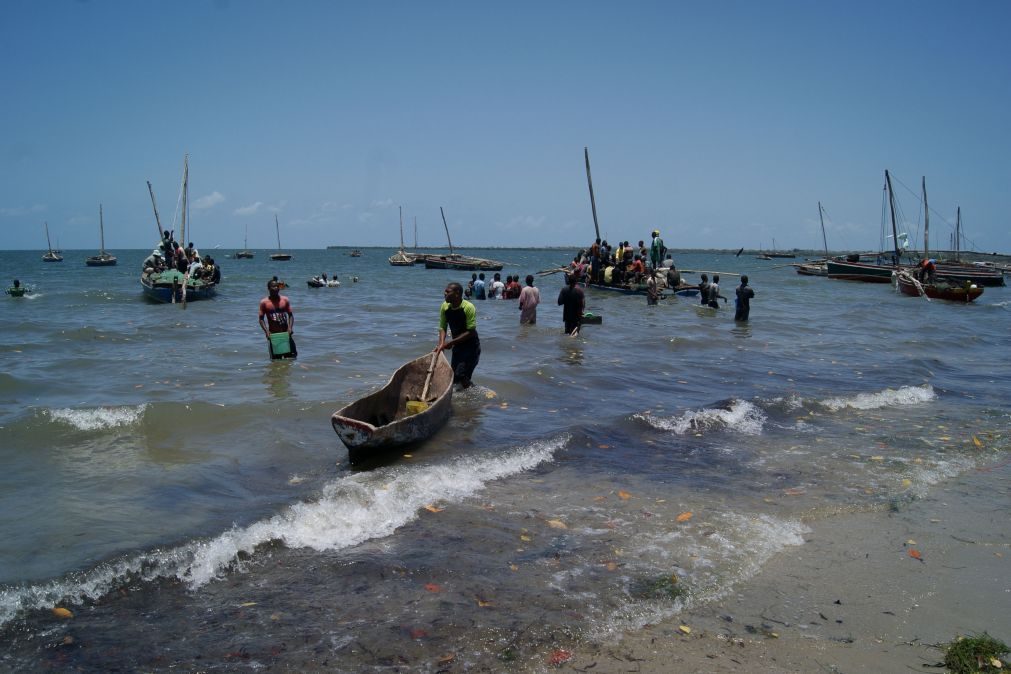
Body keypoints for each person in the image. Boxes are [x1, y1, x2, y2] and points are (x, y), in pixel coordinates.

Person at [436, 282, 480, 389]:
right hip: (458, 347)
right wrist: (441, 344)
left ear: (457, 293)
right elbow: (442, 327)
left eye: (447, 291)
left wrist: (451, 342)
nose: (444, 293)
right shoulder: (445, 307)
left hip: (471, 347)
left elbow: (471, 331)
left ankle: (476, 393)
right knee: (454, 378)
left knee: (462, 376)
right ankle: (466, 396)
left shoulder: (468, 307)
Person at [259, 279, 296, 359]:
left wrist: (290, 328)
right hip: (273, 336)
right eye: (273, 286)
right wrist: (266, 331)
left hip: (286, 334)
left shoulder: (285, 300)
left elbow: (290, 315)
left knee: (292, 358)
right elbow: (261, 319)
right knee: (275, 361)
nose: (276, 288)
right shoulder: (264, 302)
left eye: (277, 286)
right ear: (268, 288)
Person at [557, 271, 585, 336]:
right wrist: (582, 312)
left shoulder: (564, 290)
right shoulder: (580, 291)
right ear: (576, 281)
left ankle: (567, 345)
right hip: (576, 316)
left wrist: (567, 299)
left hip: (567, 316)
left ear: (568, 281)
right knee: (575, 334)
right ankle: (572, 345)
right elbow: (583, 304)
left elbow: (559, 302)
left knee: (567, 333)